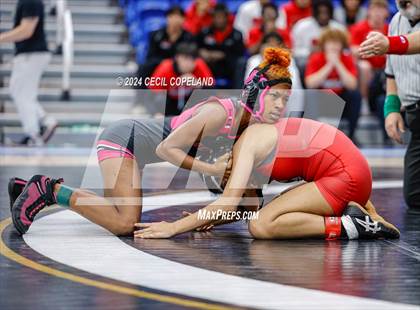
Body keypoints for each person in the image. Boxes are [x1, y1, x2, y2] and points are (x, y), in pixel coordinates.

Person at [9, 48, 295, 236]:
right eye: (275, 96)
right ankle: (48, 188)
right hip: (124, 139)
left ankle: (25, 189)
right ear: (255, 93)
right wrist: (211, 170)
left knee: (127, 219)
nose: (281, 105)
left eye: (285, 99)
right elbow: (165, 148)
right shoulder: (223, 113)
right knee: (123, 222)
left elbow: (247, 200)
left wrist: (212, 217)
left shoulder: (251, 127)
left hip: (139, 150)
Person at [133, 110, 400, 240]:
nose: (228, 188)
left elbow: (234, 205)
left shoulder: (244, 147)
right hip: (350, 173)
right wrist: (209, 219)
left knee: (262, 226)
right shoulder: (247, 143)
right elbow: (247, 205)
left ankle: (352, 225)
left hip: (345, 176)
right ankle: (366, 215)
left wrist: (174, 228)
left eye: (224, 183)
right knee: (275, 207)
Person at [379, 0, 420, 209]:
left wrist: (390, 44)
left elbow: (415, 41)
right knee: (413, 195)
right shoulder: (396, 21)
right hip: (415, 117)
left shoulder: (396, 38)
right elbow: (391, 71)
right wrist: (391, 108)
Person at [0, 0, 57, 146]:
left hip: (32, 54)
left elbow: (27, 30)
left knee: (23, 94)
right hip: (29, 53)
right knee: (18, 91)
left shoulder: (30, 0)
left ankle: (33, 133)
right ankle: (46, 121)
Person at [305, 28, 361, 143]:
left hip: (341, 99)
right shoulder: (316, 58)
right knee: (309, 96)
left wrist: (338, 63)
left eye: (337, 42)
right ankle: (310, 136)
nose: (334, 46)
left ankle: (352, 135)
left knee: (355, 95)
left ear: (342, 45)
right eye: (330, 42)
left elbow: (352, 85)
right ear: (324, 44)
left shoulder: (347, 58)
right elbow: (310, 83)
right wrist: (330, 65)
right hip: (322, 99)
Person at [350, 0, 389, 143]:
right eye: (375, 9)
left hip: (385, 69)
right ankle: (364, 102)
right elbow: (354, 51)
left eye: (381, 9)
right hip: (368, 69)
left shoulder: (390, 28)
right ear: (369, 11)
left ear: (386, 12)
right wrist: (377, 51)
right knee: (364, 66)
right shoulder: (359, 28)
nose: (378, 13)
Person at [148, 43, 214, 116]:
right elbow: (152, 93)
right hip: (170, 102)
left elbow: (212, 89)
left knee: (203, 93)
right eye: (185, 58)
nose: (189, 63)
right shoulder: (165, 68)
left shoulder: (200, 66)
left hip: (189, 103)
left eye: (192, 60)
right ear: (177, 57)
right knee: (159, 98)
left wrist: (198, 85)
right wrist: (156, 112)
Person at [138, 6, 194, 85]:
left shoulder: (188, 37)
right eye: (172, 16)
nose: (175, 19)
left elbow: (191, 55)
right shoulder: (156, 35)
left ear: (183, 19)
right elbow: (150, 56)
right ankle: (142, 95)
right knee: (144, 68)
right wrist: (165, 63)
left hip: (181, 66)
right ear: (167, 18)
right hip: (159, 64)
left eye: (178, 16)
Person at [196, 3, 244, 88]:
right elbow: (196, 46)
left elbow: (240, 53)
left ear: (226, 17)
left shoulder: (237, 34)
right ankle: (203, 94)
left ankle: (238, 94)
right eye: (216, 17)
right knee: (198, 62)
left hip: (229, 66)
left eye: (221, 17)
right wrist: (201, 52)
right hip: (210, 64)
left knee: (241, 62)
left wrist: (223, 55)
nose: (218, 20)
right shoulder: (204, 32)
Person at [292, 0, 345, 71]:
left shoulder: (339, 29)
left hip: (333, 60)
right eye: (320, 13)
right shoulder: (301, 26)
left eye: (326, 13)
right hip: (307, 61)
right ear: (314, 13)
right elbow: (295, 51)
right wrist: (309, 52)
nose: (323, 16)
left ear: (331, 13)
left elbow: (346, 51)